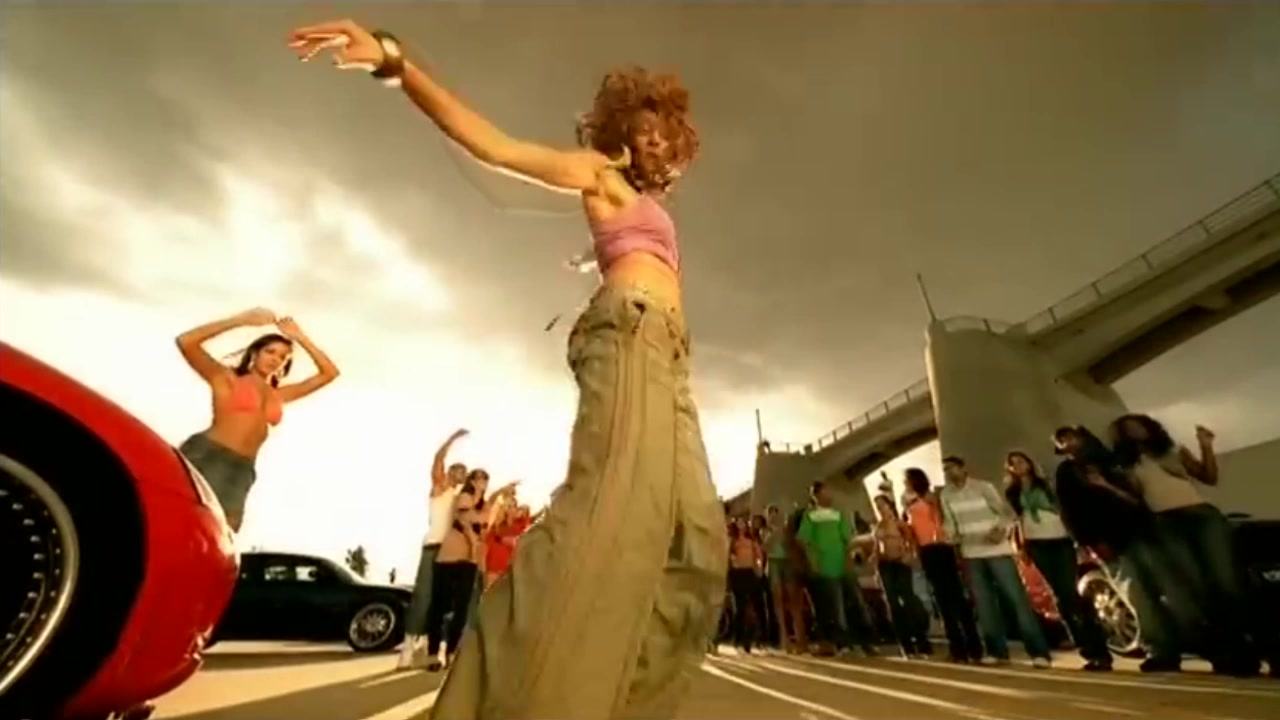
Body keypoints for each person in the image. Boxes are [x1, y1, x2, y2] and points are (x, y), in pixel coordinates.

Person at [289, 19, 727, 719]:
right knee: (603, 525)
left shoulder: (646, 204)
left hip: (670, 356)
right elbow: (493, 146)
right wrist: (397, 63)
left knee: (694, 539)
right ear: (621, 130)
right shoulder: (599, 174)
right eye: (645, 128)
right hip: (632, 334)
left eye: (665, 135)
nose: (656, 142)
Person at [1109, 415, 1271, 676]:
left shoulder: (1172, 451)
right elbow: (1135, 500)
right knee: (1197, 588)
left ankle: (1264, 647)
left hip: (1201, 515)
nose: (1136, 430)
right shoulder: (1125, 464)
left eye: (1139, 425)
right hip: (1165, 522)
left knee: (1229, 581)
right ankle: (1232, 654)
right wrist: (1110, 486)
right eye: (1128, 429)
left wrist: (1206, 445)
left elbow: (1209, 477)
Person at [1051, 425, 1202, 674]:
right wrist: (1088, 542)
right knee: (1137, 596)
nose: (1069, 442)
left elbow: (1137, 493)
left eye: (1071, 436)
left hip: (1142, 530)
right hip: (1109, 540)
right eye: (1062, 440)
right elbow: (1069, 510)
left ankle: (1205, 642)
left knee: (1173, 588)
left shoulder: (1111, 461)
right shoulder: (1066, 472)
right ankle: (1161, 651)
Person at [176, 307, 339, 531]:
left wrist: (300, 337)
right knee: (184, 521)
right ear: (255, 353)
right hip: (210, 455)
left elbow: (329, 373)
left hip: (243, 469)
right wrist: (240, 320)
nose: (275, 359)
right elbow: (186, 342)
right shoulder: (226, 378)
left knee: (222, 534)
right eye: (270, 352)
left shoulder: (279, 395)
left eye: (283, 357)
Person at [1003, 450, 1112, 671]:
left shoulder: (1046, 485)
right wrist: (1022, 546)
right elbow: (1018, 519)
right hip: (1036, 543)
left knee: (1069, 592)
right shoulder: (1013, 492)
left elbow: (1062, 510)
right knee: (1060, 596)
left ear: (1030, 463)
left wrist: (1077, 538)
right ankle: (1086, 649)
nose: (1018, 466)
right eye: (1013, 464)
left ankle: (1098, 647)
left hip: (1059, 540)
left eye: (1021, 461)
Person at [938, 456, 1052, 668]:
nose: (949, 473)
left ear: (963, 468)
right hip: (971, 553)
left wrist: (1000, 530)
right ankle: (996, 651)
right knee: (984, 605)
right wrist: (949, 535)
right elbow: (950, 522)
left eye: (952, 468)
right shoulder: (946, 494)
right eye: (946, 469)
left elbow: (1006, 513)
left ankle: (1039, 652)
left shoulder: (983, 487)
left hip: (997, 550)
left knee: (1016, 599)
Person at [398, 429, 469, 670]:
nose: (462, 475)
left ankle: (432, 648)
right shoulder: (440, 488)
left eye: (464, 473)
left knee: (443, 604)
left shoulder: (459, 498)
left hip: (451, 553)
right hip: (433, 547)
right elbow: (438, 459)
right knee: (423, 597)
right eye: (459, 471)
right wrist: (452, 439)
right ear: (450, 472)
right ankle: (407, 650)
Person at [902, 468, 983, 663]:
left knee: (955, 598)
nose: (905, 483)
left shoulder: (932, 498)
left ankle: (973, 647)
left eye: (906, 480)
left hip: (940, 547)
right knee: (942, 600)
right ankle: (958, 648)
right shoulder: (909, 502)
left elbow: (940, 520)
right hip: (926, 551)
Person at [870, 494, 932, 658]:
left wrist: (908, 555)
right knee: (892, 604)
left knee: (908, 600)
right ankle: (906, 645)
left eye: (882, 505)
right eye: (877, 506)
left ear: (890, 506)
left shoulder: (900, 524)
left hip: (900, 563)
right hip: (885, 565)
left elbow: (911, 542)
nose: (880, 509)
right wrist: (875, 566)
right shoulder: (878, 527)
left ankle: (922, 642)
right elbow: (877, 547)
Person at [726, 517, 766, 653]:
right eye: (739, 523)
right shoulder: (733, 540)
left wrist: (759, 567)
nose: (741, 525)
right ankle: (739, 639)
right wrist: (733, 562)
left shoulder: (752, 539)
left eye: (743, 522)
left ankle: (754, 639)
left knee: (754, 606)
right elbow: (730, 555)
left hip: (750, 573)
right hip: (738, 574)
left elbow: (758, 555)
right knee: (740, 607)